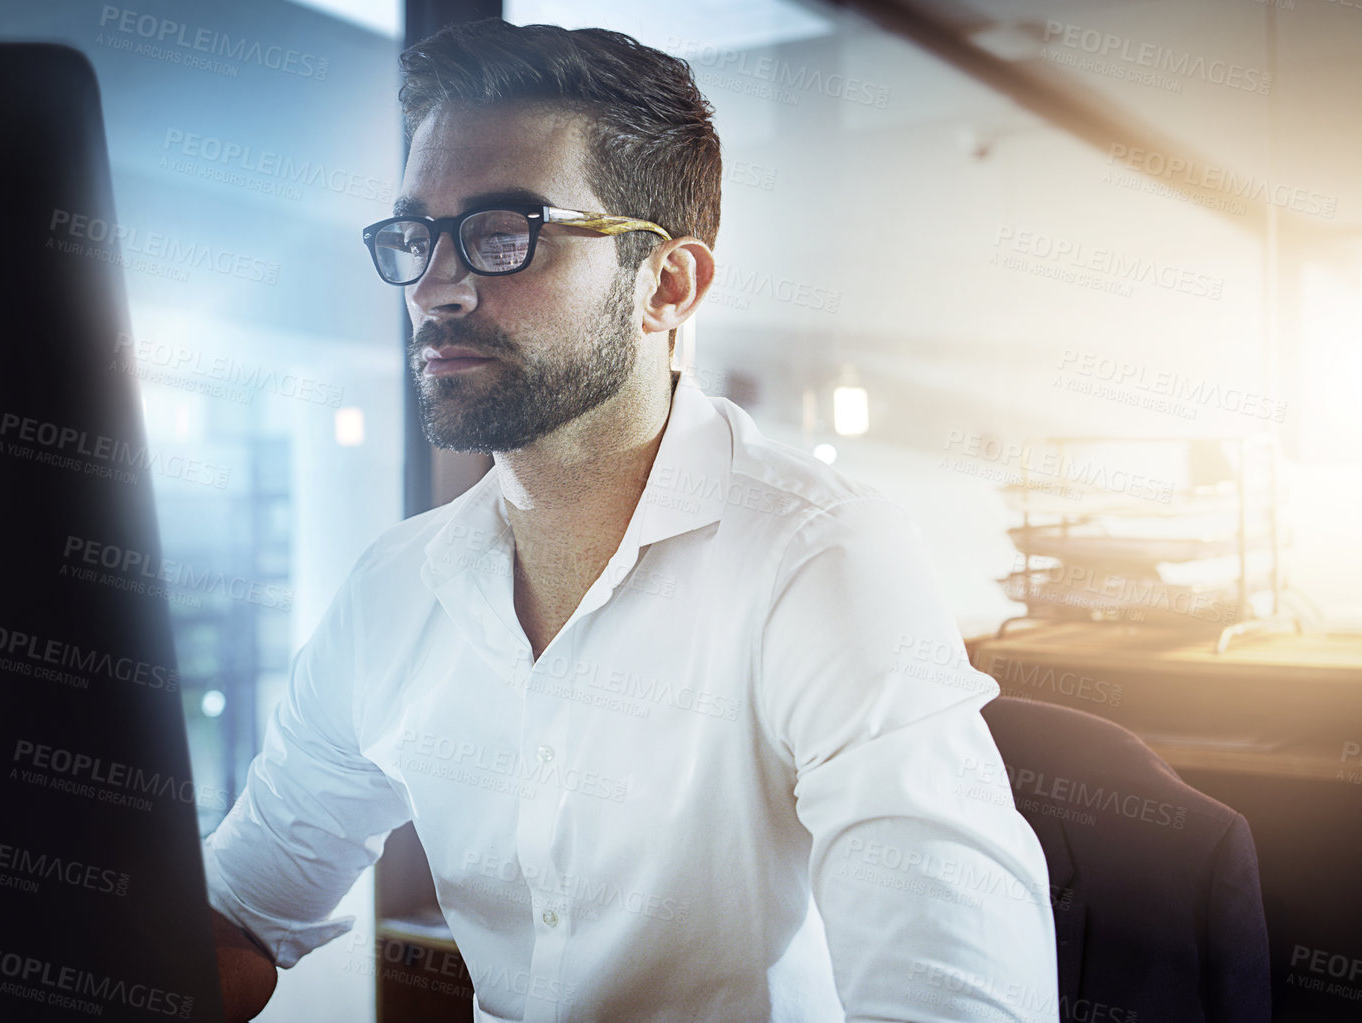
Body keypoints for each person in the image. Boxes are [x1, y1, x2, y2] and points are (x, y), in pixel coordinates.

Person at [203, 18, 1058, 1023]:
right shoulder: (392, 592)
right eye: (414, 235)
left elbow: (960, 1006)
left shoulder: (818, 559)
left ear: (667, 285)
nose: (435, 286)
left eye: (502, 233)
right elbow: (237, 918)